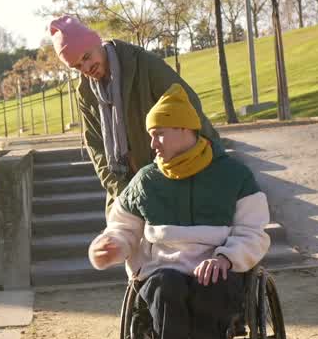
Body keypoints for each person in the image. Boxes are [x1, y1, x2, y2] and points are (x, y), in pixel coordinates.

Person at [88, 84, 270, 339]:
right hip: (163, 269)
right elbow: (124, 228)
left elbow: (253, 232)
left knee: (213, 285)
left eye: (158, 134)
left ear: (185, 130)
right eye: (151, 136)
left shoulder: (234, 175)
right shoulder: (146, 180)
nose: (152, 144)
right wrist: (111, 244)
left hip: (218, 265)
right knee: (165, 286)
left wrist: (225, 258)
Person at [48, 14, 221, 210]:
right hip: (124, 190)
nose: (86, 68)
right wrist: (122, 193)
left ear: (97, 43)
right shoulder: (86, 91)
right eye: (77, 66)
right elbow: (96, 146)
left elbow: (188, 107)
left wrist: (216, 152)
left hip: (171, 177)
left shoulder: (143, 64)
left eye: (87, 57)